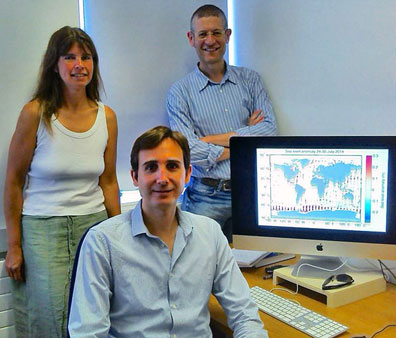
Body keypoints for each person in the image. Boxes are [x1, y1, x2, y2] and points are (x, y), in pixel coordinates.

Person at [68, 126, 268, 337]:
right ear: (135, 177)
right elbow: (87, 332)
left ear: (188, 173)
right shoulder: (103, 242)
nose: (162, 178)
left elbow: (245, 315)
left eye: (172, 166)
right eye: (151, 167)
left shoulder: (210, 234)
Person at [3, 26, 120, 337]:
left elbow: (108, 181)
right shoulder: (35, 114)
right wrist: (14, 246)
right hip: (43, 230)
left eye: (86, 57)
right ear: (54, 64)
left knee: (93, 312)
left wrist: (121, 237)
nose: (79, 65)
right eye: (69, 57)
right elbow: (14, 182)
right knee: (51, 318)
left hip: (93, 226)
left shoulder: (106, 117)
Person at [167, 5, 278, 241]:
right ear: (191, 38)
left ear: (227, 35)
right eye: (203, 34)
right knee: (198, 266)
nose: (210, 41)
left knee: (254, 266)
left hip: (249, 191)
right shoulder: (180, 92)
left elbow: (269, 130)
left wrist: (207, 140)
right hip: (205, 196)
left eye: (216, 33)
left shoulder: (250, 80)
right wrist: (244, 140)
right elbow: (188, 149)